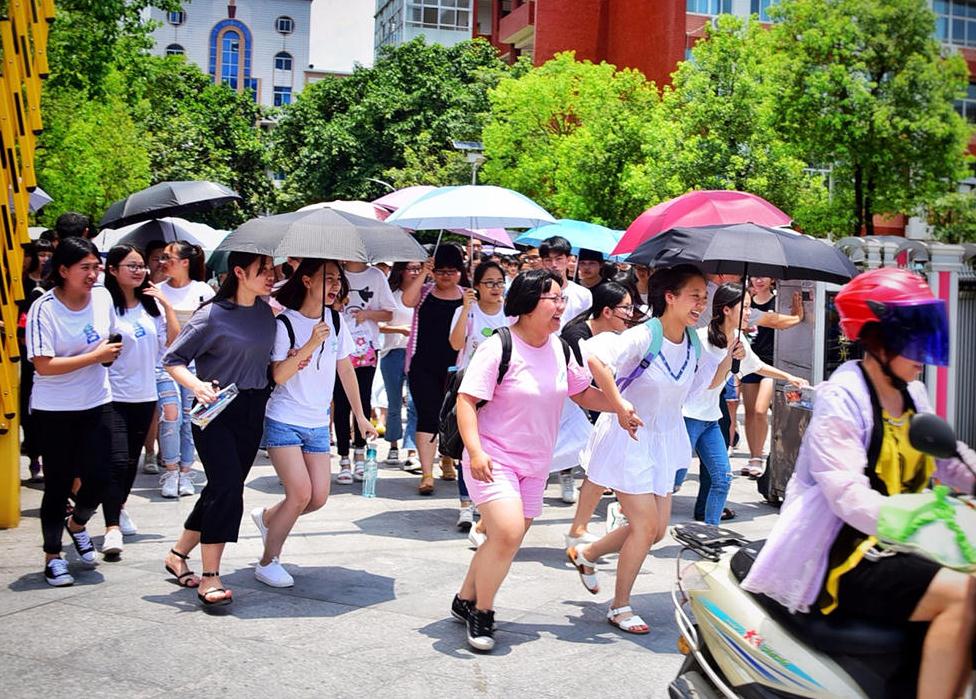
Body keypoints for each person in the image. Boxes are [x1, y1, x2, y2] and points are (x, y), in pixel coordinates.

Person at [741, 268, 976, 699]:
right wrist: (912, 521)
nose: (922, 347)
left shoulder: (912, 394)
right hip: (846, 550)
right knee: (966, 594)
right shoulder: (843, 396)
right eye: (911, 335)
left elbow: (949, 461)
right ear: (875, 338)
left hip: (898, 543)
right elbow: (846, 495)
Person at [452, 269, 640, 651]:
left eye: (562, 299)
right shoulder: (499, 345)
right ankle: (482, 613)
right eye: (553, 298)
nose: (561, 306)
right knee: (504, 533)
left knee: (506, 539)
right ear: (527, 303)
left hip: (536, 463)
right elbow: (467, 400)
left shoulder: (559, 348)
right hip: (493, 457)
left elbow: (583, 394)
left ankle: (464, 598)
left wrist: (619, 408)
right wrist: (475, 451)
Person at [568, 265, 730, 634]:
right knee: (643, 526)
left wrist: (728, 359)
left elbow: (701, 387)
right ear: (669, 297)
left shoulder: (694, 342)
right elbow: (597, 361)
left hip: (666, 440)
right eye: (694, 296)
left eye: (704, 298)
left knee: (656, 531)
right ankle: (620, 605)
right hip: (630, 438)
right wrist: (620, 405)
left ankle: (587, 553)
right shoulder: (644, 336)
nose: (700, 304)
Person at [251, 259, 377, 587]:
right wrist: (309, 344)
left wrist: (361, 416)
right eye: (328, 278)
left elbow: (345, 369)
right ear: (307, 281)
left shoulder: (336, 320)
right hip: (284, 419)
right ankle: (268, 561)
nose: (335, 285)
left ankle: (268, 518)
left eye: (338, 279)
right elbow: (278, 375)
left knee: (318, 497)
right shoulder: (285, 324)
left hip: (317, 423)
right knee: (300, 494)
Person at [161, 251, 276, 606]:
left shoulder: (265, 311)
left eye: (273, 269)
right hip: (214, 411)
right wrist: (195, 386)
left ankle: (177, 554)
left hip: (253, 408)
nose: (271, 276)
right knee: (228, 489)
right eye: (263, 270)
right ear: (239, 272)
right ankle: (210, 576)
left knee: (220, 488)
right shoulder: (210, 315)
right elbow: (172, 359)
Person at [25, 237, 121, 586]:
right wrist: (95, 357)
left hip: (96, 401)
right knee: (58, 483)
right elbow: (44, 365)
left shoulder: (103, 297)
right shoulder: (45, 308)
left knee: (98, 478)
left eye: (96, 267)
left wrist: (110, 354)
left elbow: (107, 340)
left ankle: (77, 524)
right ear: (63, 271)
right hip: (54, 409)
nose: (93, 274)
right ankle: (53, 556)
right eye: (85, 268)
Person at [678, 283, 808, 524]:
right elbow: (708, 384)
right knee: (673, 480)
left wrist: (789, 377)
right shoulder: (701, 340)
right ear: (727, 310)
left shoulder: (738, 339)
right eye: (745, 307)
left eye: (750, 307)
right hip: (687, 417)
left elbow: (756, 366)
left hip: (710, 419)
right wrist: (729, 358)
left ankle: (710, 530)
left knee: (722, 478)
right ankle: (630, 514)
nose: (749, 313)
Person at [100, 245, 178, 554]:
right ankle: (111, 528)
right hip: (111, 395)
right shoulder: (105, 306)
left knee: (131, 461)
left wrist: (168, 307)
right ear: (113, 271)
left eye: (141, 266)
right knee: (116, 459)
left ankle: (118, 508)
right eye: (130, 265)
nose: (138, 270)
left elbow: (172, 343)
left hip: (145, 394)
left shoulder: (151, 307)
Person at [561, 282, 635, 545]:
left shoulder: (615, 338)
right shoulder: (577, 336)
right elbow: (582, 382)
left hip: (586, 411)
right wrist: (617, 403)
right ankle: (486, 524)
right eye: (626, 308)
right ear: (607, 311)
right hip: (565, 412)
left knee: (600, 465)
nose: (630, 313)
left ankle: (582, 527)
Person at [448, 260, 510, 529]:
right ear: (477, 286)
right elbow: (455, 343)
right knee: (468, 445)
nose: (496, 288)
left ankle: (489, 505)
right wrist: (464, 309)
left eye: (499, 282)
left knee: (495, 447)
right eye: (489, 283)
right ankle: (465, 503)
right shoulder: (469, 311)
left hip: (502, 389)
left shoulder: (510, 313)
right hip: (471, 388)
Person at [402, 245, 468, 495]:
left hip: (456, 366)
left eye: (451, 271)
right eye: (440, 271)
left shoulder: (466, 296)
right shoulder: (425, 292)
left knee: (452, 417)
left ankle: (448, 458)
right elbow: (407, 300)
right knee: (428, 415)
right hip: (422, 365)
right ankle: (427, 473)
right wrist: (423, 273)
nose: (446, 276)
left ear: (460, 272)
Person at [156, 241, 215, 497]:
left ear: (185, 262)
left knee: (192, 419)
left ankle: (185, 473)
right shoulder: (156, 290)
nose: (162, 262)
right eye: (161, 257)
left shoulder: (202, 291)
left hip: (195, 365)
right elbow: (171, 341)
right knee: (171, 415)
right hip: (164, 364)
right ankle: (170, 471)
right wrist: (168, 307)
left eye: (168, 257)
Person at [538, 236, 593, 501]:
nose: (553, 264)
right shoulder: (534, 289)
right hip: (540, 357)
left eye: (558, 259)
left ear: (570, 260)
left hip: (570, 361)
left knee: (570, 422)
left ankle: (567, 474)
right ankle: (537, 474)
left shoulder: (583, 295)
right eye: (548, 259)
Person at [334, 260, 395, 483]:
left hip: (366, 347)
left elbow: (389, 313)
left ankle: (360, 453)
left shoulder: (376, 276)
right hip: (338, 346)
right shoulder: (335, 272)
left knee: (363, 400)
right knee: (340, 402)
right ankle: (343, 458)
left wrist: (367, 315)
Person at [739, 276, 804, 477]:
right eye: (755, 277)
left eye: (763, 277)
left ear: (772, 279)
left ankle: (765, 455)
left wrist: (796, 314)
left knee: (760, 410)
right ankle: (755, 457)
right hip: (748, 361)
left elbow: (782, 323)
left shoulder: (777, 301)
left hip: (771, 363)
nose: (759, 280)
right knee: (750, 413)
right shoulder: (744, 302)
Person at [18, 240, 53, 482]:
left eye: (47, 254)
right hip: (29, 357)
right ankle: (34, 456)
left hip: (51, 358)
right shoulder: (21, 284)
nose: (43, 259)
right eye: (39, 254)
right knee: (29, 407)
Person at [378, 262, 419, 469]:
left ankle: (412, 450)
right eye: (411, 268)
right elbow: (379, 324)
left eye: (419, 268)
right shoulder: (390, 294)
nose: (415, 272)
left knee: (414, 403)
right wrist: (399, 329)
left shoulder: (423, 294)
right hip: (392, 353)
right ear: (401, 270)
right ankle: (393, 446)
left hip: (417, 354)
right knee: (394, 404)